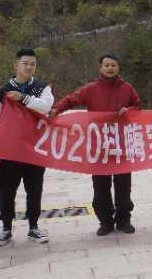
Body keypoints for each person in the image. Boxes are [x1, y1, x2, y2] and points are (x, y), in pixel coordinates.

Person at [49, 53, 141, 235]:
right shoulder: (91, 89)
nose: (110, 68)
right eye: (106, 65)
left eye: (113, 65)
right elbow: (71, 99)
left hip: (121, 145)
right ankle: (105, 221)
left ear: (118, 67)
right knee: (100, 187)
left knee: (123, 185)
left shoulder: (127, 88)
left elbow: (138, 107)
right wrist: (56, 109)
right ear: (100, 68)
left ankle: (124, 220)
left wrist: (129, 110)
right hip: (98, 147)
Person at [0, 48, 54, 246]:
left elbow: (46, 107)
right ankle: (6, 229)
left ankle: (33, 228)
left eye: (33, 64)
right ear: (15, 65)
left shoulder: (42, 87)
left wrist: (24, 99)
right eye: (25, 63)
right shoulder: (3, 91)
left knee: (35, 189)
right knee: (7, 191)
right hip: (10, 151)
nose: (29, 67)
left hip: (34, 149)